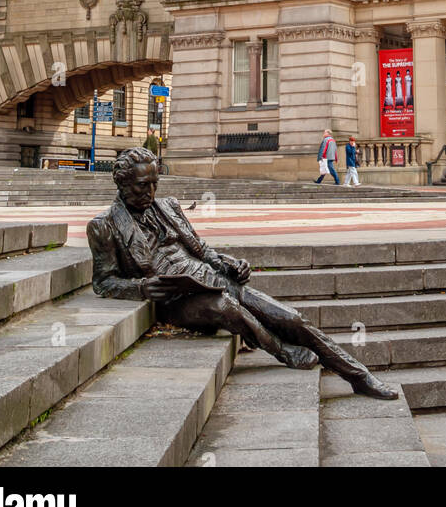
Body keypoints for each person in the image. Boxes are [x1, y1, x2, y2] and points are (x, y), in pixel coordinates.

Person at [87, 147, 397, 399]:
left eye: (155, 183)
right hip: (176, 300)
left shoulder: (168, 206)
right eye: (143, 185)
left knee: (290, 318)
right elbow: (103, 282)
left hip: (212, 279)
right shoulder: (104, 226)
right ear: (122, 183)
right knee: (226, 308)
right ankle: (282, 350)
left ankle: (359, 376)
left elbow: (202, 250)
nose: (150, 191)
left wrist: (228, 262)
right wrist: (142, 288)